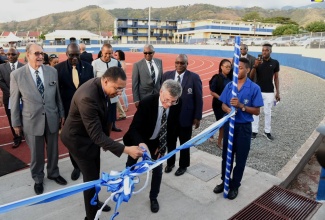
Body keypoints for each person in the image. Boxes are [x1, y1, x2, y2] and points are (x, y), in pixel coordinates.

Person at [60, 66, 144, 220]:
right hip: (78, 140)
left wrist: (106, 141)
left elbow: (103, 118)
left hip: (89, 137)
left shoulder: (103, 87)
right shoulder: (88, 97)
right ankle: (92, 217)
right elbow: (96, 136)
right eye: (117, 88)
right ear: (106, 81)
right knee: (90, 180)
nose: (119, 93)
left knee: (95, 172)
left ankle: (95, 201)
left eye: (122, 89)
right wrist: (126, 149)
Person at [10, 43, 67, 195]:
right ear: (27, 55)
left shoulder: (51, 71)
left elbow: (57, 96)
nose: (41, 56)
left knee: (53, 150)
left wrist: (61, 113)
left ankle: (54, 173)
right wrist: (15, 123)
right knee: (36, 153)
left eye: (42, 53)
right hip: (31, 120)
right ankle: (38, 178)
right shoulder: (17, 75)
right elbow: (14, 101)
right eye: (36, 53)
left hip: (52, 117)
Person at [123, 79, 182, 213]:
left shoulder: (177, 103)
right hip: (139, 139)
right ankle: (127, 185)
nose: (169, 105)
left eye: (173, 101)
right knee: (131, 164)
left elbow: (172, 127)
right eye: (167, 100)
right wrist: (141, 144)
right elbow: (134, 128)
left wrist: (162, 145)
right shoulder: (146, 102)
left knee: (157, 170)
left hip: (157, 142)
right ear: (161, 92)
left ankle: (153, 197)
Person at [213, 58, 263, 200]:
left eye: (240, 68)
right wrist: (228, 108)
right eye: (235, 68)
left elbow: (257, 111)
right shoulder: (230, 86)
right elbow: (223, 104)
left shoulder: (254, 88)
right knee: (226, 156)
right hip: (230, 125)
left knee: (240, 158)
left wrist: (242, 106)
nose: (237, 70)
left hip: (243, 128)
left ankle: (235, 186)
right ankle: (225, 181)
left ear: (247, 69)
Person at [55, 43, 94, 181]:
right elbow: (57, 94)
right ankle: (76, 166)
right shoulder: (58, 69)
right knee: (73, 141)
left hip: (86, 111)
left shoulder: (89, 67)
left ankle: (86, 163)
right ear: (66, 54)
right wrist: (61, 114)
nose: (75, 58)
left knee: (88, 138)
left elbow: (92, 89)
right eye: (72, 55)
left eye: (77, 54)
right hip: (69, 113)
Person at [162, 54, 203, 176]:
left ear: (187, 64)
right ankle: (170, 163)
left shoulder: (194, 77)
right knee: (170, 142)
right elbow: (162, 95)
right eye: (177, 63)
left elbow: (198, 98)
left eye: (182, 63)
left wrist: (197, 117)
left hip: (186, 117)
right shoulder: (167, 76)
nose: (179, 65)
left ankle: (183, 165)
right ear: (174, 63)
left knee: (185, 143)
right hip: (170, 117)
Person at [250, 43, 280, 141]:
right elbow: (250, 77)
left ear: (270, 51)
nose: (264, 52)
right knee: (256, 112)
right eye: (263, 50)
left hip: (269, 91)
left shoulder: (275, 62)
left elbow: (276, 78)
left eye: (266, 50)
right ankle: (254, 131)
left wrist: (278, 92)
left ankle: (267, 131)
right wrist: (255, 66)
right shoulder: (257, 62)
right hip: (258, 91)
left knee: (268, 112)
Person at [92, 43, 122, 132]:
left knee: (112, 110)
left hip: (113, 93)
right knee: (102, 112)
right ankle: (101, 128)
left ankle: (113, 125)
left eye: (110, 53)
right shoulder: (95, 63)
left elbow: (120, 75)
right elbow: (93, 79)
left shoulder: (116, 62)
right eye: (106, 53)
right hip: (101, 94)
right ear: (102, 52)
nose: (108, 56)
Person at [0, 47, 24, 148]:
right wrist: (11, 93)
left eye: (12, 54)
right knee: (11, 118)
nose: (10, 56)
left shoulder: (24, 67)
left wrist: (19, 93)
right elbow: (0, 81)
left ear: (18, 54)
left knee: (23, 116)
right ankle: (17, 137)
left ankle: (25, 133)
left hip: (22, 97)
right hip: (8, 97)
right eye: (8, 54)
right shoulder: (1, 67)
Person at [209, 59, 232, 149]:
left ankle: (211, 133)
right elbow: (212, 92)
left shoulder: (231, 78)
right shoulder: (216, 78)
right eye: (226, 67)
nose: (228, 68)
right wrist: (222, 98)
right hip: (218, 104)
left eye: (230, 67)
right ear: (221, 67)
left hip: (227, 105)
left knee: (221, 122)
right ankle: (219, 142)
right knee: (222, 123)